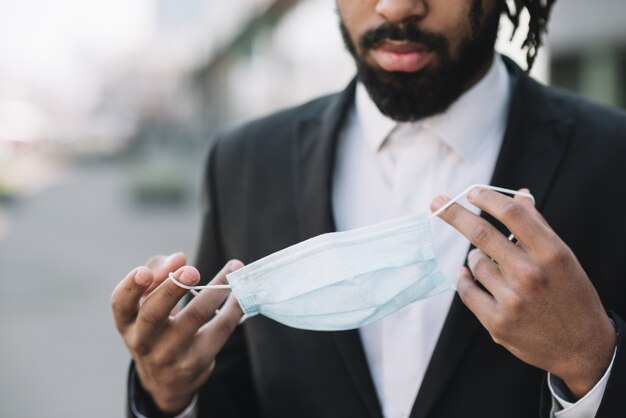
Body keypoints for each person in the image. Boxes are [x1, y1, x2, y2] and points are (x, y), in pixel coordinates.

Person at [111, 1, 626, 417]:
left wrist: (593, 364)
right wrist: (167, 395)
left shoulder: (613, 158)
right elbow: (228, 396)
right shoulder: (244, 163)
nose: (397, 7)